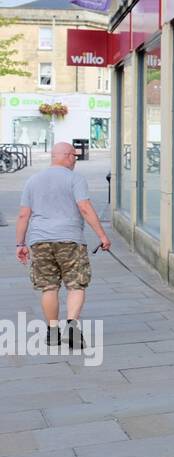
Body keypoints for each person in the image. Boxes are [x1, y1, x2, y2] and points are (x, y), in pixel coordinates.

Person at [13, 142, 111, 349]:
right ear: (66, 156)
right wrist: (102, 236)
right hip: (70, 240)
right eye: (74, 155)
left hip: (39, 241)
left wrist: (20, 244)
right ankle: (72, 330)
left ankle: (52, 332)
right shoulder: (75, 179)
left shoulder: (33, 180)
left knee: (48, 286)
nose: (75, 159)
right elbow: (84, 207)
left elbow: (23, 215)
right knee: (76, 284)